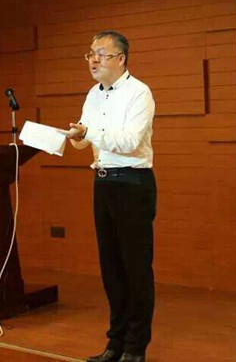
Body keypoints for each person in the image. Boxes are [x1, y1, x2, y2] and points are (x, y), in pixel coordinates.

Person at [65, 30, 156, 362]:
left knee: (136, 268)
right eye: (90, 53)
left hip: (132, 184)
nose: (93, 60)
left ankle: (135, 347)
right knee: (111, 268)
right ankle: (115, 342)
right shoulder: (93, 94)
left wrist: (89, 133)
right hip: (103, 183)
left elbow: (129, 141)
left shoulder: (139, 93)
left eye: (101, 54)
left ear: (121, 59)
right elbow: (86, 140)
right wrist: (74, 137)